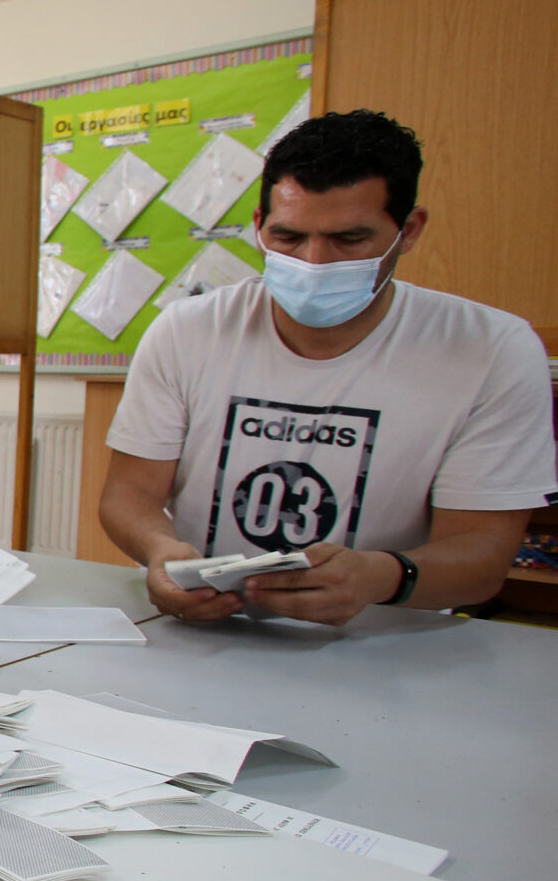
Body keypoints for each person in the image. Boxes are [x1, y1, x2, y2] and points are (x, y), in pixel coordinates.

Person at [100, 109, 556, 625]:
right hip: (205, 628)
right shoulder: (188, 330)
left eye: (349, 240)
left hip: (384, 641)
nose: (314, 263)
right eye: (288, 238)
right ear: (259, 224)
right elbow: (129, 494)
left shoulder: (491, 351)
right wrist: (160, 550)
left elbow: (483, 557)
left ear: (408, 231)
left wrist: (381, 577)